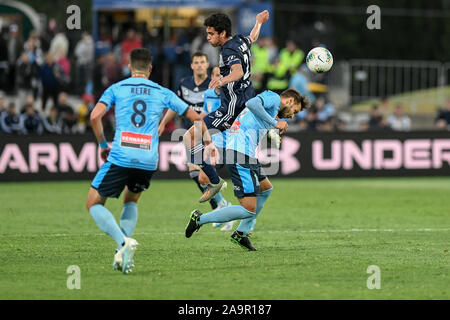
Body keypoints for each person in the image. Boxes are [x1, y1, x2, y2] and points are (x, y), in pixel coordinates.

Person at [86, 48, 211, 274]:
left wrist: (103, 145)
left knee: (93, 203)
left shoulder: (117, 88)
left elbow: (95, 116)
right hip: (148, 160)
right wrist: (206, 143)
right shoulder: (162, 91)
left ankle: (122, 242)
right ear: (150, 68)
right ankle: (123, 253)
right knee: (131, 201)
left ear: (129, 66)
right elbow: (194, 116)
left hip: (121, 155)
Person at [185, 88, 309, 250]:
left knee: (266, 189)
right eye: (295, 111)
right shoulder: (273, 98)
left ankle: (241, 234)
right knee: (249, 209)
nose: (293, 116)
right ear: (290, 101)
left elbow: (254, 119)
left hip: (246, 153)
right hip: (239, 153)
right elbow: (252, 103)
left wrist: (273, 128)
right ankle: (199, 219)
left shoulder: (272, 110)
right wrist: (274, 123)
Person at [184, 10, 287, 204]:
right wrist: (258, 22)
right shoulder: (240, 40)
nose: (208, 38)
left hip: (231, 108)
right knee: (236, 149)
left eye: (211, 34)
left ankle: (215, 182)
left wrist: (221, 80)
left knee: (189, 138)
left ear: (222, 33)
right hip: (246, 101)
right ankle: (267, 134)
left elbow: (238, 72)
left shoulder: (228, 49)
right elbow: (253, 37)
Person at [159, 55, 231, 214]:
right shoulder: (185, 83)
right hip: (191, 133)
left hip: (210, 134)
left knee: (203, 176)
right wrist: (163, 123)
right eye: (196, 62)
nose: (199, 65)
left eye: (202, 62)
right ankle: (220, 205)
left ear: (207, 65)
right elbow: (176, 106)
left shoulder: (214, 85)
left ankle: (222, 206)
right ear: (191, 65)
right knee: (194, 173)